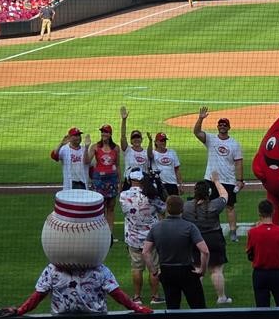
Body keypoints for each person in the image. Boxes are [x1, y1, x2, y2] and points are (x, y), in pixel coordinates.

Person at [0, 263, 153, 317]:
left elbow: (38, 296)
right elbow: (117, 295)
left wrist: (20, 311)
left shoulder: (52, 269)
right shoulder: (99, 269)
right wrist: (136, 307)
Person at [143, 195, 210, 309]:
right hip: (186, 270)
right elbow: (205, 251)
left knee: (172, 308)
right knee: (198, 307)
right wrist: (202, 270)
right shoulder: (189, 227)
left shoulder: (156, 227)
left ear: (167, 209)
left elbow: (145, 252)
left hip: (167, 271)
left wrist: (154, 271)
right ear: (182, 209)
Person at [193, 106, 244, 242]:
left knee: (230, 206)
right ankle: (208, 229)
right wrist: (200, 118)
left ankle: (233, 232)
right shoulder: (211, 139)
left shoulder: (234, 144)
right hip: (210, 179)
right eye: (220, 124)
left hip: (228, 180)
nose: (222, 127)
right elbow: (197, 132)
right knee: (206, 204)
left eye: (225, 125)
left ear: (229, 127)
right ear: (217, 127)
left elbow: (239, 163)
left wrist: (240, 180)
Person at [182, 172, 232, 304]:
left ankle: (194, 297)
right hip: (214, 239)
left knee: (197, 269)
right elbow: (225, 195)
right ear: (208, 193)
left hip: (195, 240)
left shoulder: (186, 207)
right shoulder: (214, 205)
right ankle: (221, 297)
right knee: (216, 270)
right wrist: (216, 181)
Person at [119, 168, 166, 305]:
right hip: (152, 238)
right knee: (154, 267)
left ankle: (137, 297)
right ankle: (155, 296)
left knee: (136, 268)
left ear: (130, 180)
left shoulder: (123, 195)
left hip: (133, 238)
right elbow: (164, 207)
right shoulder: (151, 195)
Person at [247, 199, 279, 307]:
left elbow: (250, 255)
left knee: (262, 310)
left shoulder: (252, 232)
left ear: (259, 213)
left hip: (259, 274)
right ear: (273, 212)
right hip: (277, 274)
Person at [83, 124, 120, 234]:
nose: (104, 134)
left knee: (111, 207)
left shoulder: (116, 148)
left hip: (112, 179)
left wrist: (119, 182)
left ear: (110, 134)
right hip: (99, 179)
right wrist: (86, 147)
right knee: (101, 206)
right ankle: (101, 231)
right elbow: (86, 161)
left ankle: (110, 233)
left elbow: (117, 165)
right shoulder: (95, 147)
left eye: (106, 132)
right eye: (102, 132)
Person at [119, 106, 151, 176]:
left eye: (138, 137)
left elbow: (149, 168)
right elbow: (123, 136)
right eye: (134, 137)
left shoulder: (146, 152)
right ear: (131, 140)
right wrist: (124, 120)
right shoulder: (127, 150)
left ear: (141, 139)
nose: (136, 139)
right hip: (130, 182)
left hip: (143, 182)